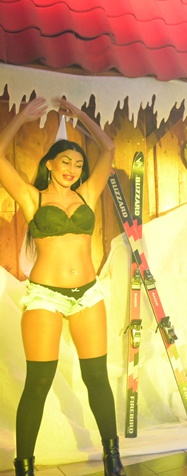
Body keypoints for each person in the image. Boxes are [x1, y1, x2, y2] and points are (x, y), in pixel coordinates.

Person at [0, 97, 125, 476]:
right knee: (38, 381)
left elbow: (108, 148)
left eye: (78, 164)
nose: (72, 170)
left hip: (88, 293)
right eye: (65, 162)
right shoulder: (32, 197)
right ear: (50, 164)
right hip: (46, 295)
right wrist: (22, 118)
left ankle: (112, 457)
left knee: (97, 378)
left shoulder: (87, 194)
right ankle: (24, 466)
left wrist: (81, 116)